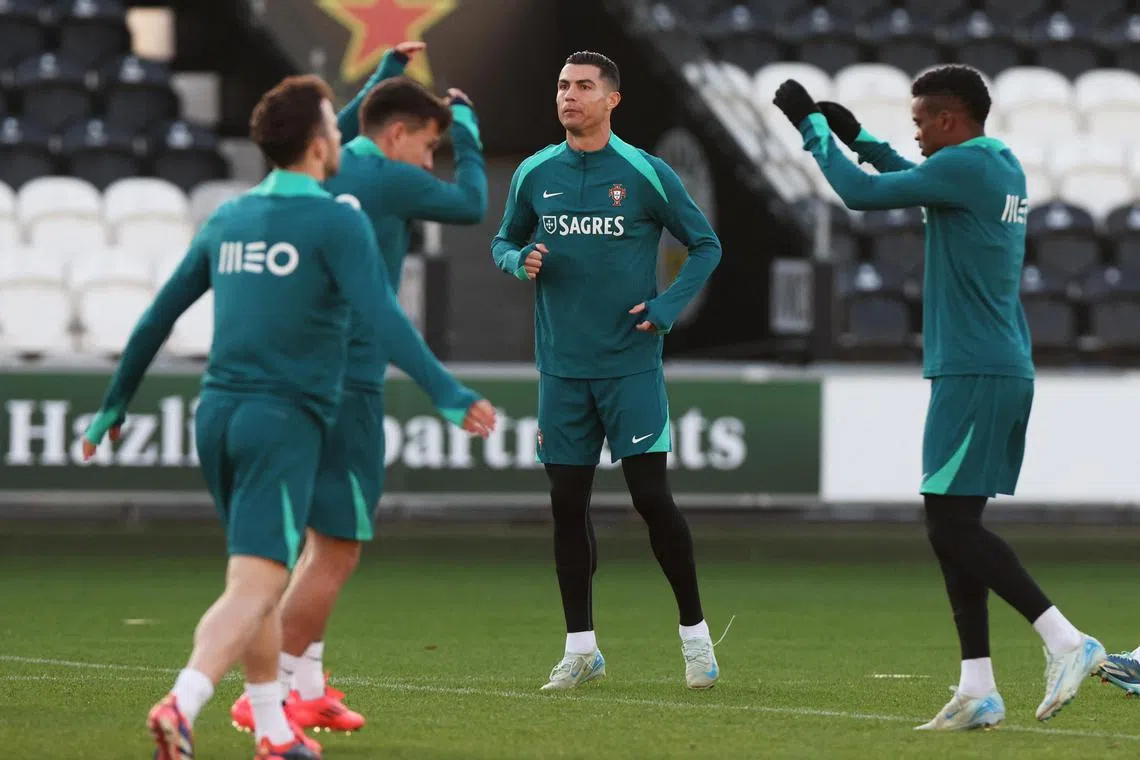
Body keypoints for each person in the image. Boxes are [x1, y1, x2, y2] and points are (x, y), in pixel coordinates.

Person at [81, 74, 496, 760]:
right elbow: (382, 317)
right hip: (282, 419)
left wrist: (114, 403)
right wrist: (445, 392)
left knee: (261, 576)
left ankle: (275, 730)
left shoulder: (230, 216)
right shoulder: (338, 220)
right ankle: (183, 702)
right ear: (317, 144)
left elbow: (157, 317)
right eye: (335, 126)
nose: (343, 136)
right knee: (257, 585)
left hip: (217, 415)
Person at [771, 65, 1105, 730]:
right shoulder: (994, 164)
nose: (917, 133)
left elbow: (861, 195)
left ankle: (1067, 640)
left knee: (950, 528)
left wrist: (811, 129)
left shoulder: (965, 168)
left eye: (922, 121)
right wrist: (860, 138)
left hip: (975, 369)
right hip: (989, 365)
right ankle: (978, 688)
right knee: (951, 527)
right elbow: (910, 176)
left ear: (950, 119)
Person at [228, 41, 488, 734]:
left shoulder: (328, 165)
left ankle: (308, 684)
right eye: (428, 146)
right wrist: (466, 126)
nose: (429, 161)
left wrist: (383, 76)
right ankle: (270, 690)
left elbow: (332, 133)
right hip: (353, 373)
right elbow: (471, 204)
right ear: (399, 134)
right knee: (339, 546)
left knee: (318, 540)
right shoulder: (389, 177)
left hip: (302, 365)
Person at [491, 50, 723, 691]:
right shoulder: (534, 172)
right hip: (562, 369)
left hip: (629, 367)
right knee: (567, 505)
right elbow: (503, 240)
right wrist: (516, 260)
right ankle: (582, 649)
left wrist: (668, 307)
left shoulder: (645, 173)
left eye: (583, 86)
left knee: (651, 499)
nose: (569, 96)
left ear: (612, 99)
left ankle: (695, 637)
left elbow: (705, 245)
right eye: (562, 85)